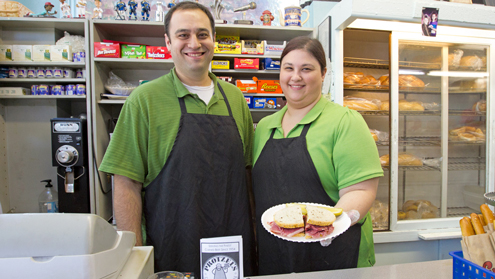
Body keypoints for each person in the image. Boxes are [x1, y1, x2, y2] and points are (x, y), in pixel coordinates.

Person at [99, 1, 255, 276]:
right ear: (168, 41)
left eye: (202, 34)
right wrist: (134, 259)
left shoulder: (235, 99)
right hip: (171, 247)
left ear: (214, 40)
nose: (194, 43)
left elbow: (247, 173)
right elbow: (125, 182)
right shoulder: (144, 100)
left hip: (232, 247)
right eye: (183, 34)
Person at [252, 36, 383, 275]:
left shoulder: (345, 121)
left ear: (323, 74)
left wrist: (326, 228)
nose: (295, 77)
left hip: (334, 255)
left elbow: (361, 191)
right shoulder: (264, 127)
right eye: (288, 68)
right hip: (275, 254)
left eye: (307, 69)